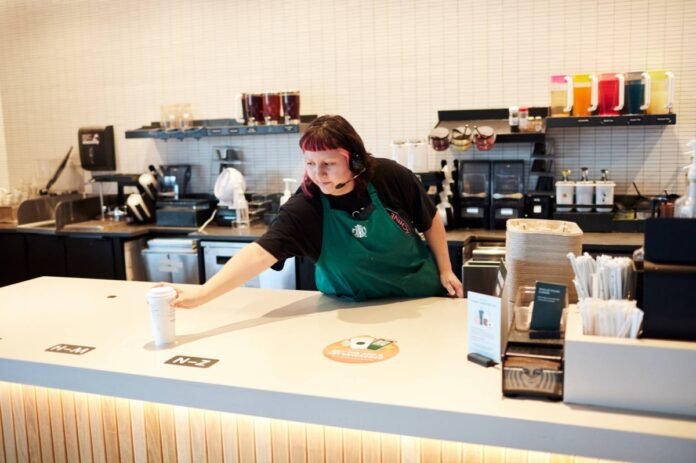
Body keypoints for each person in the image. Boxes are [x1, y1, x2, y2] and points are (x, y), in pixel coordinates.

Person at [170, 114, 463, 307]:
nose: (318, 174)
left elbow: (430, 219)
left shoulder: (390, 176)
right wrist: (202, 294)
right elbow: (260, 253)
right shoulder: (307, 205)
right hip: (348, 309)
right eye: (310, 164)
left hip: (417, 299)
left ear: (355, 161)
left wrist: (446, 270)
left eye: (328, 164)